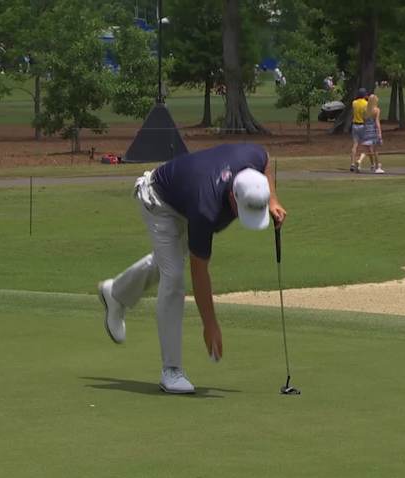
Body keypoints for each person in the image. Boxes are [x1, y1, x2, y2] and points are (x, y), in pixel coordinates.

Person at [97, 144, 287, 394]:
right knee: (174, 276)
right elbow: (200, 273)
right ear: (233, 197)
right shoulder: (206, 208)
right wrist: (210, 324)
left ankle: (116, 293)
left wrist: (272, 199)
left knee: (169, 261)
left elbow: (266, 162)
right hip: (158, 200)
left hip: (183, 196)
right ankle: (171, 371)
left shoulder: (252, 157)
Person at [353, 94, 384, 173]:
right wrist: (379, 133)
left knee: (366, 149)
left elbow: (363, 120)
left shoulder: (364, 110)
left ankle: (359, 160)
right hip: (373, 130)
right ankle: (377, 167)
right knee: (375, 150)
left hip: (365, 130)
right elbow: (377, 122)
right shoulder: (376, 110)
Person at [349, 88, 368, 172]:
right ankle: (359, 160)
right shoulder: (366, 104)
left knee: (355, 144)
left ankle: (352, 163)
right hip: (362, 125)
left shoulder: (354, 103)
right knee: (366, 146)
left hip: (355, 125)